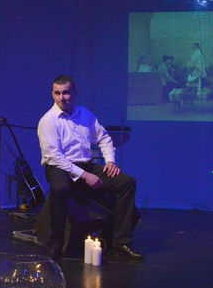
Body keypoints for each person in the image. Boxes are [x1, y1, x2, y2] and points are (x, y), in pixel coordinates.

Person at [37, 75, 142, 260]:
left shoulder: (84, 114)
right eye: (57, 93)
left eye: (66, 93)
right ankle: (56, 243)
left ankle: (120, 242)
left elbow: (103, 138)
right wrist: (85, 176)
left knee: (126, 182)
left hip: (85, 164)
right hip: (59, 167)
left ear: (74, 93)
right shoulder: (48, 120)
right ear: (52, 94)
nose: (62, 97)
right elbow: (54, 156)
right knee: (60, 189)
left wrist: (110, 161)